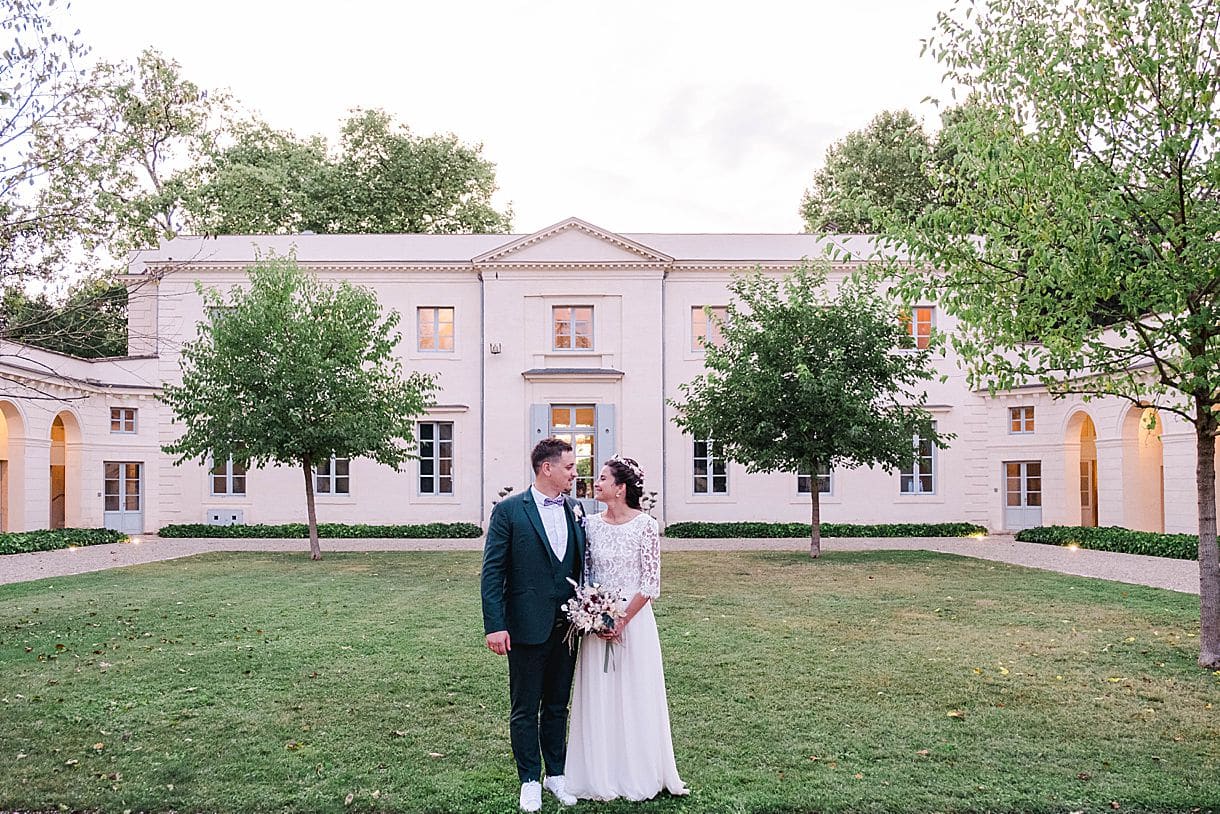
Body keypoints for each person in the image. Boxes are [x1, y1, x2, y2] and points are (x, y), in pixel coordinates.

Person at [565, 455, 688, 801]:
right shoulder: (589, 524)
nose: (597, 483)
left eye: (603, 478)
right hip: (596, 624)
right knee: (599, 695)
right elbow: (585, 575)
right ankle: (598, 772)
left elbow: (650, 583)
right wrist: (592, 612)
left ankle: (639, 771)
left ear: (620, 488)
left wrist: (621, 619)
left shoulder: (645, 526)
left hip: (634, 624)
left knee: (636, 693)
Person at [481, 437, 586, 812]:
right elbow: (492, 571)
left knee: (558, 704)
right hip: (525, 625)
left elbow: (582, 566)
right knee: (525, 706)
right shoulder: (509, 511)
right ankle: (529, 779)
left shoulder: (575, 508)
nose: (575, 473)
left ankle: (555, 774)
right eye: (570, 467)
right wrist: (495, 624)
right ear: (548, 468)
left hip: (569, 627)